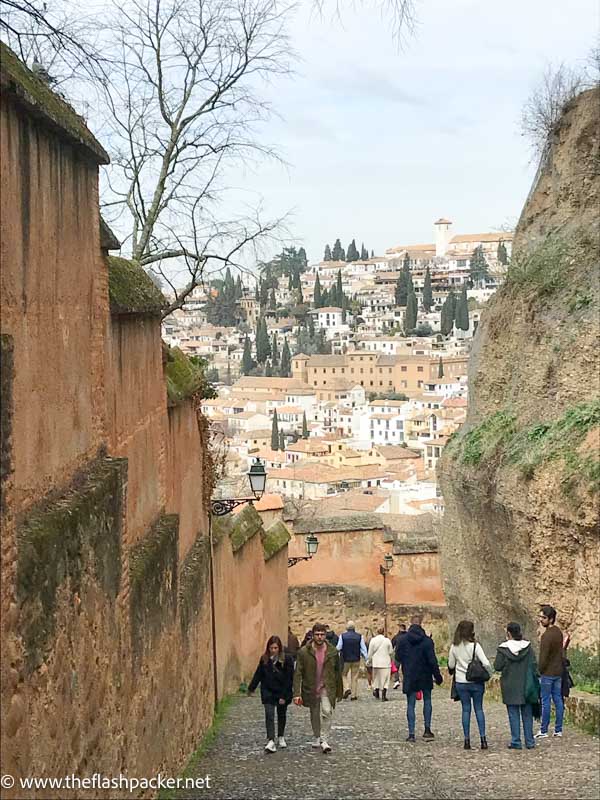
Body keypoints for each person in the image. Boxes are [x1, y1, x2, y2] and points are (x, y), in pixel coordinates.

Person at [293, 622, 343, 753]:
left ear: (325, 635)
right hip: (311, 686)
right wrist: (297, 693)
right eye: (317, 634)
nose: (320, 637)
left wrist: (339, 691)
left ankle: (324, 738)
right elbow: (298, 672)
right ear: (313, 635)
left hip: (327, 686)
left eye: (322, 634)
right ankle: (316, 735)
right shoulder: (304, 652)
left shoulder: (332, 651)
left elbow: (337, 671)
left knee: (327, 711)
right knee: (314, 713)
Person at [396, 614, 443, 741]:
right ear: (421, 624)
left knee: (410, 703)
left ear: (410, 623)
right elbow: (433, 661)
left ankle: (411, 733)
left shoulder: (402, 640)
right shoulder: (427, 641)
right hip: (425, 674)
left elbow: (398, 657)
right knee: (427, 700)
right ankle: (427, 729)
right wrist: (438, 676)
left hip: (410, 674)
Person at [494, 622, 539, 750]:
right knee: (527, 714)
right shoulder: (528, 647)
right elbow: (534, 665)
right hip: (526, 685)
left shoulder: (503, 649)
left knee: (513, 714)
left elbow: (497, 666)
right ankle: (529, 741)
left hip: (510, 685)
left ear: (508, 633)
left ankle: (516, 741)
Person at [448, 620, 492, 750]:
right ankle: (483, 739)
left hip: (461, 682)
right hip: (476, 682)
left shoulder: (454, 647)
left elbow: (451, 665)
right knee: (479, 709)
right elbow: (486, 663)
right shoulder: (475, 646)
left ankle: (467, 740)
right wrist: (489, 674)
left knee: (466, 709)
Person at [248, 635, 294, 753]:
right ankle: (271, 739)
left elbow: (289, 678)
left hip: (282, 690)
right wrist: (251, 687)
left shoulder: (287, 660)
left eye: (275, 648)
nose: (273, 650)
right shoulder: (264, 659)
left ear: (279, 648)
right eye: (271, 648)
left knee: (281, 713)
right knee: (269, 714)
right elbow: (259, 674)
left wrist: (284, 695)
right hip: (268, 690)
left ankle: (281, 735)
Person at [536, 605, 565, 739]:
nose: (541, 620)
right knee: (558, 700)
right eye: (540, 617)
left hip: (547, 673)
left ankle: (544, 729)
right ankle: (558, 729)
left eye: (544, 617)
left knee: (546, 701)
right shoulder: (558, 632)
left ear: (551, 619)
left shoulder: (546, 636)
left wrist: (539, 670)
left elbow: (544, 657)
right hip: (558, 672)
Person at [336, 621, 368, 700]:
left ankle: (346, 688)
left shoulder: (342, 636)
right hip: (356, 659)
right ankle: (353, 695)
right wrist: (366, 658)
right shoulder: (359, 636)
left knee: (343, 675)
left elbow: (338, 647)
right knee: (354, 677)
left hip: (345, 659)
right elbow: (363, 649)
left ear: (347, 628)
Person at [367, 625, 394, 701]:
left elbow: (370, 652)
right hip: (385, 663)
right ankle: (384, 694)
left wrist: (368, 660)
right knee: (385, 679)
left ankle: (377, 691)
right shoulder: (387, 640)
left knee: (376, 679)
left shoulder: (373, 640)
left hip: (376, 663)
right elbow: (391, 651)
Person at [391, 624, 407, 689]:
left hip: (398, 655)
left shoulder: (396, 636)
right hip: (406, 655)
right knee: (405, 669)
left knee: (396, 669)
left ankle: (396, 681)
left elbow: (392, 645)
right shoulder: (408, 636)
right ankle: (406, 681)